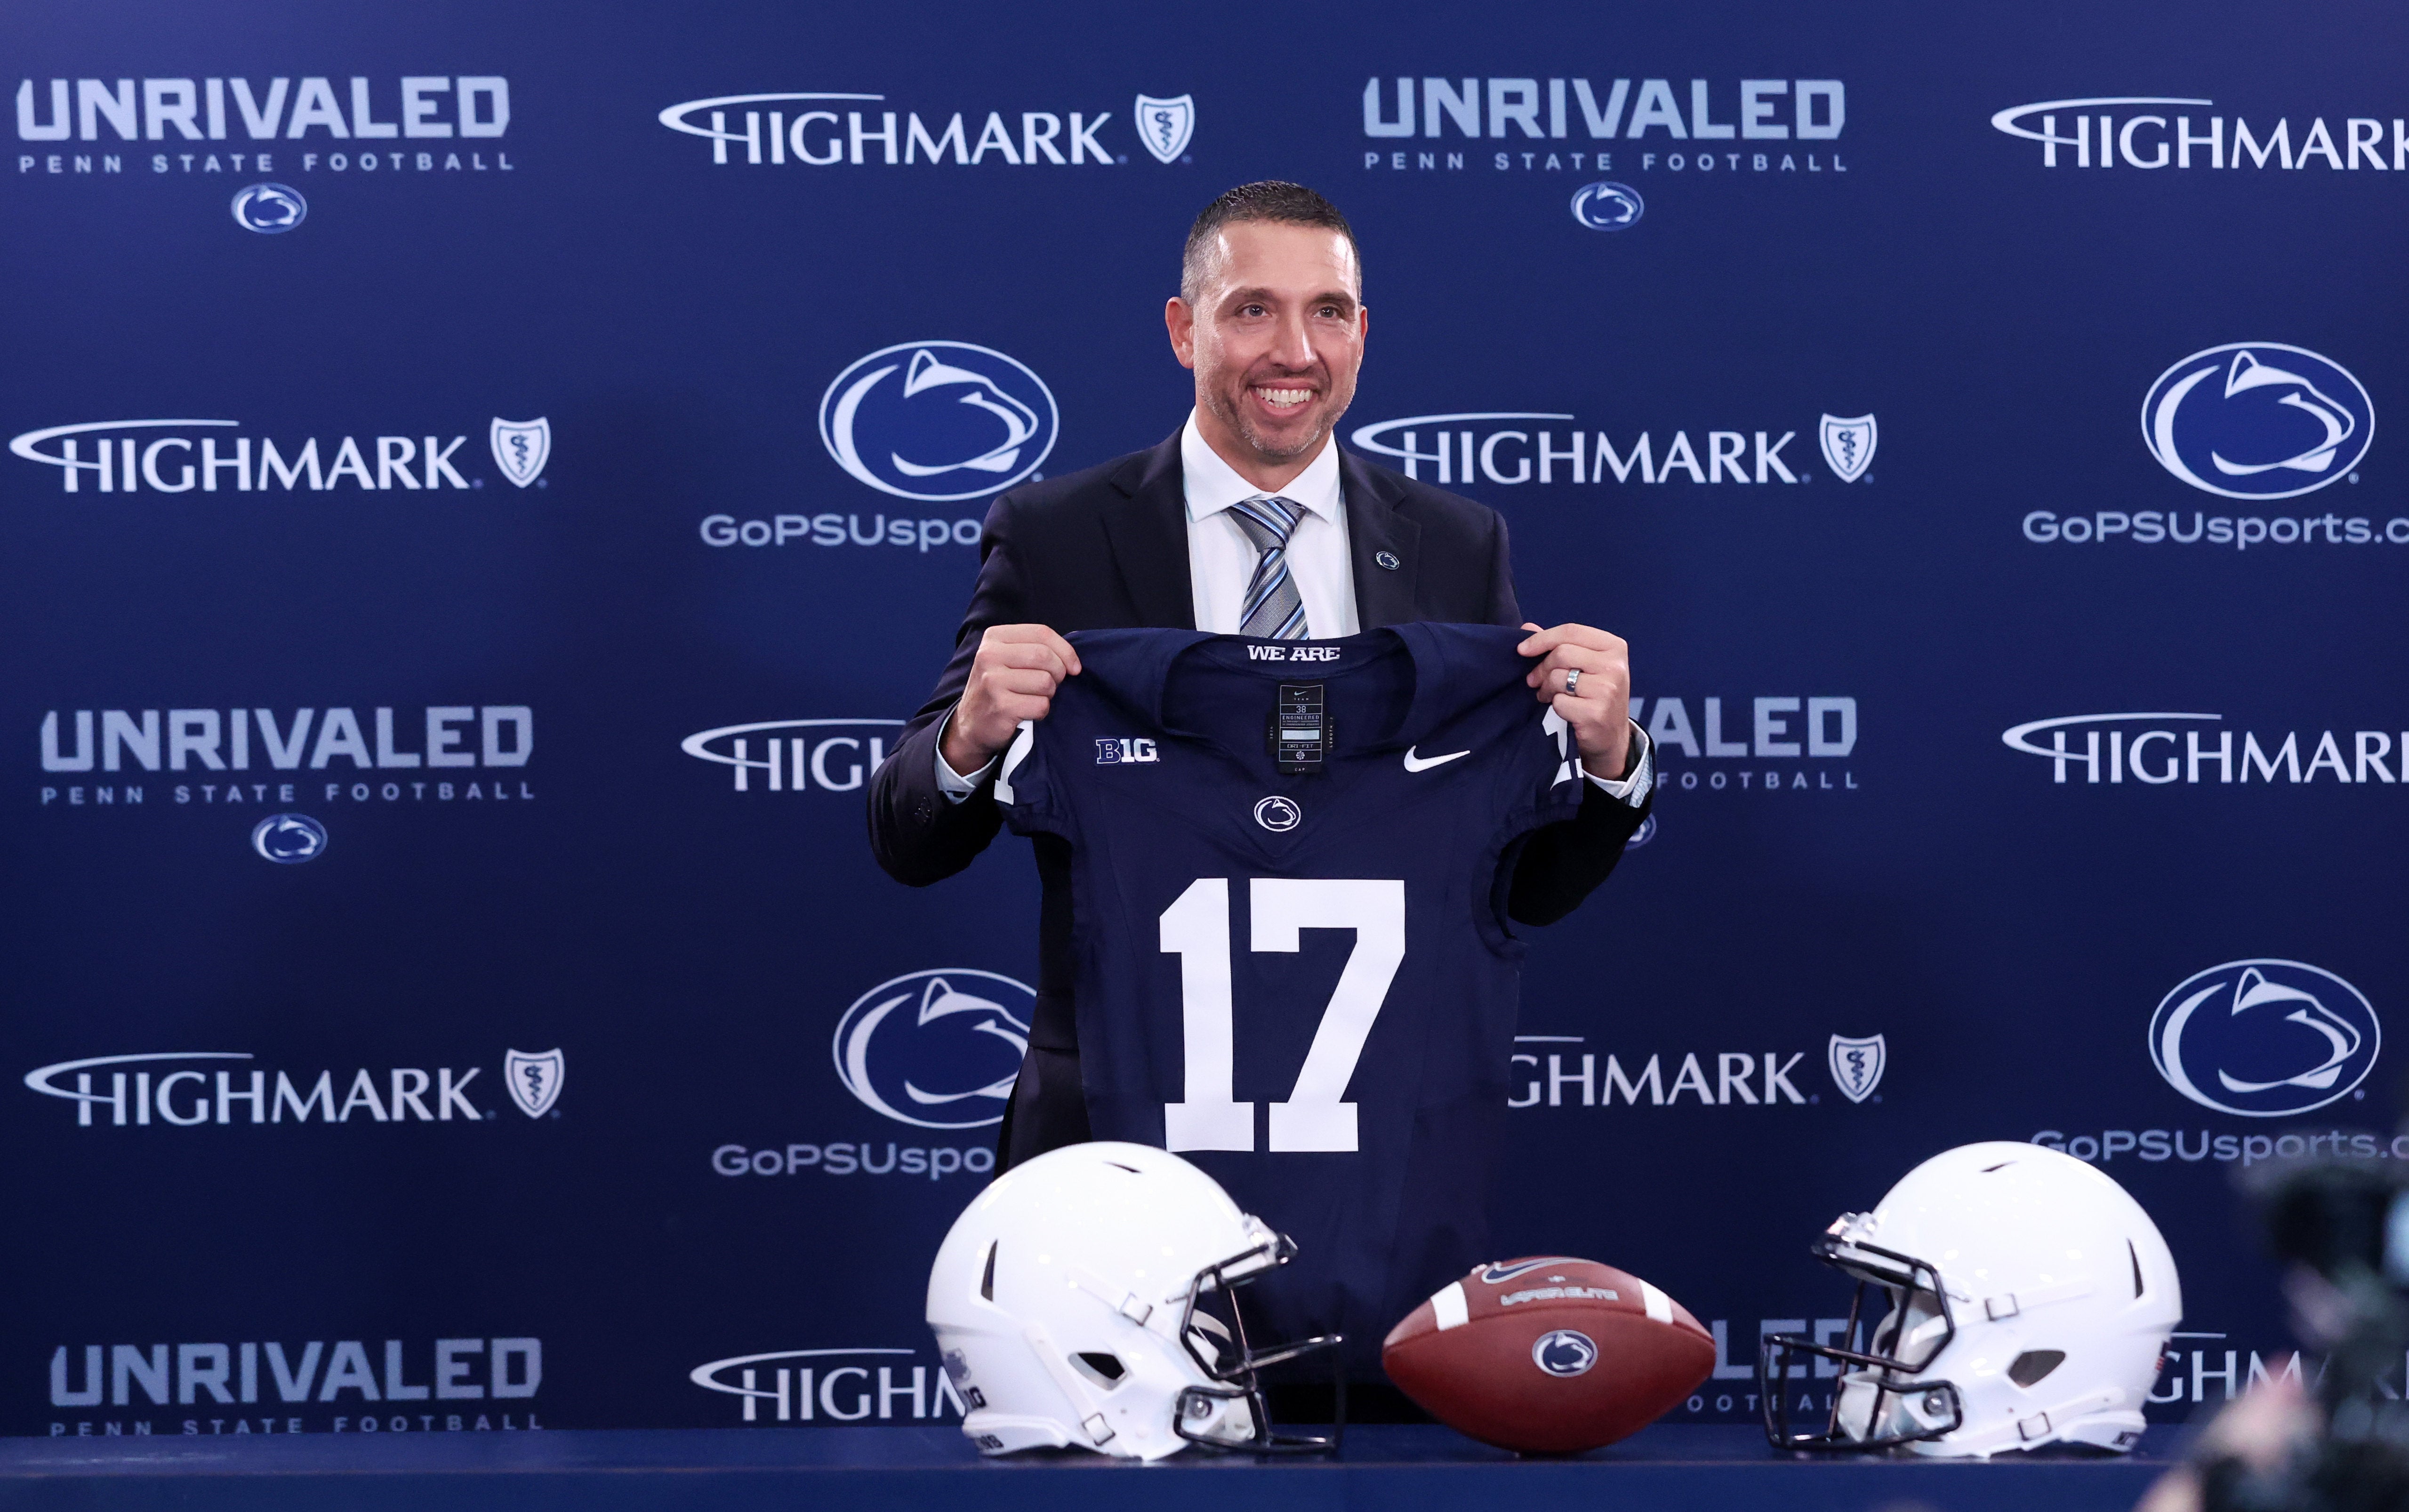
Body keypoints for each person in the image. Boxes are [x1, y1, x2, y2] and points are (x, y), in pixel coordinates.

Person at [867, 180, 1651, 1172]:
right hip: (1110, 1137)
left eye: (1326, 312)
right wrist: (966, 740)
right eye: (1251, 311)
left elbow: (1520, 887)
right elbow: (908, 840)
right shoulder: (1058, 536)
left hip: (1377, 1145)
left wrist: (1613, 764)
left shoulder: (1456, 546)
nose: (1293, 351)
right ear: (1183, 330)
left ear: (1361, 334)